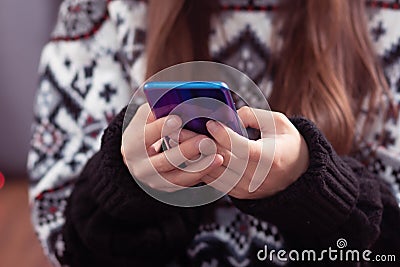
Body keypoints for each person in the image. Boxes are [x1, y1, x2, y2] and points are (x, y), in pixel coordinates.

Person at [28, 0, 400, 266]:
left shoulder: (388, 16)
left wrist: (313, 186)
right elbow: (61, 235)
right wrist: (123, 186)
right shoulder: (103, 11)